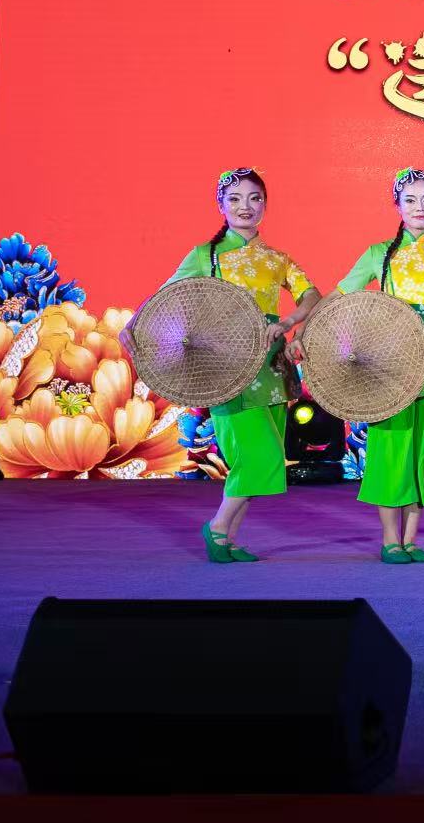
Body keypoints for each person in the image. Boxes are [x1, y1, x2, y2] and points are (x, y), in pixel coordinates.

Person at [137, 168, 320, 563]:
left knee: (259, 459)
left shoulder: (277, 259)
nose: (245, 207)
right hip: (226, 367)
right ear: (220, 205)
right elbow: (165, 295)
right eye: (234, 199)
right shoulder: (206, 255)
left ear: (265, 204)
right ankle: (218, 527)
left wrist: (290, 322)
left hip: (271, 366)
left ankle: (227, 538)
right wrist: (133, 326)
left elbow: (311, 294)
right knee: (258, 456)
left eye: (254, 198)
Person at [331, 168, 424, 564]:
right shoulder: (378, 252)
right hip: (389, 362)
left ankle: (412, 540)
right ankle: (390, 540)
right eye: (411, 200)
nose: (420, 207)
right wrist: (305, 331)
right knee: (391, 451)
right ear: (397, 206)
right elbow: (340, 294)